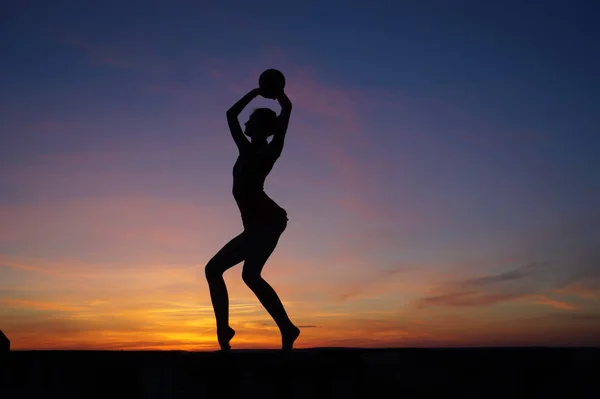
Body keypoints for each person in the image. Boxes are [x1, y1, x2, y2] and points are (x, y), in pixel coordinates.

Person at [205, 86, 300, 352]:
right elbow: (234, 115)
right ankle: (287, 328)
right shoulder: (257, 149)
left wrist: (264, 91)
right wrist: (265, 94)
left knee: (215, 270)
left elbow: (233, 114)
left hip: (267, 222)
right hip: (263, 224)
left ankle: (223, 331)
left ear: (259, 127)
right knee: (249, 275)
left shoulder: (259, 150)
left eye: (251, 120)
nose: (245, 122)